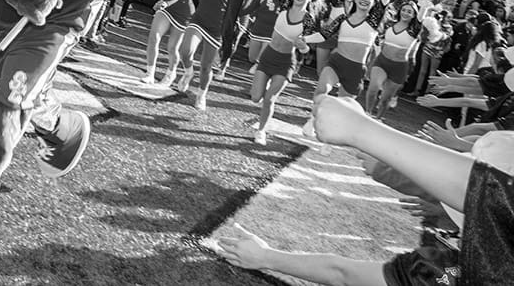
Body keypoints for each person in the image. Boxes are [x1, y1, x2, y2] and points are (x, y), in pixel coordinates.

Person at [218, 95, 514, 286]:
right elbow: (487, 192)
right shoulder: (455, 270)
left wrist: (361, 131)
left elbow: (342, 274)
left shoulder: (450, 272)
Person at [299, 0, 384, 136]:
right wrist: (305, 39)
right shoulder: (343, 18)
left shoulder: (373, 22)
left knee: (342, 108)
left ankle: (329, 138)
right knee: (321, 90)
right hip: (336, 63)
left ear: (373, 3)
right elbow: (324, 34)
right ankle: (313, 119)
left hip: (356, 70)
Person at [171, 0, 241, 109]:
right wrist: (167, 0)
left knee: (206, 67)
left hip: (217, 26)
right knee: (185, 51)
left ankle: (202, 94)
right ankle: (188, 72)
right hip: (199, 19)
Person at [249, 0, 318, 145]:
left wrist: (303, 47)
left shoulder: (308, 19)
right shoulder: (285, 3)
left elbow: (306, 49)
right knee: (255, 97)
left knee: (269, 99)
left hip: (286, 62)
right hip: (268, 56)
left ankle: (261, 131)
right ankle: (263, 87)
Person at [365, 1, 421, 119]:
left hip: (399, 67)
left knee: (386, 99)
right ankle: (367, 113)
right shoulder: (389, 24)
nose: (405, 13)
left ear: (414, 15)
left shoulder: (414, 30)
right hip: (382, 62)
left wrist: (426, 1)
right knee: (373, 88)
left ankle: (378, 119)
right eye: (404, 10)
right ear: (400, 10)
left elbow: (421, 18)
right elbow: (378, 38)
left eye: (409, 11)